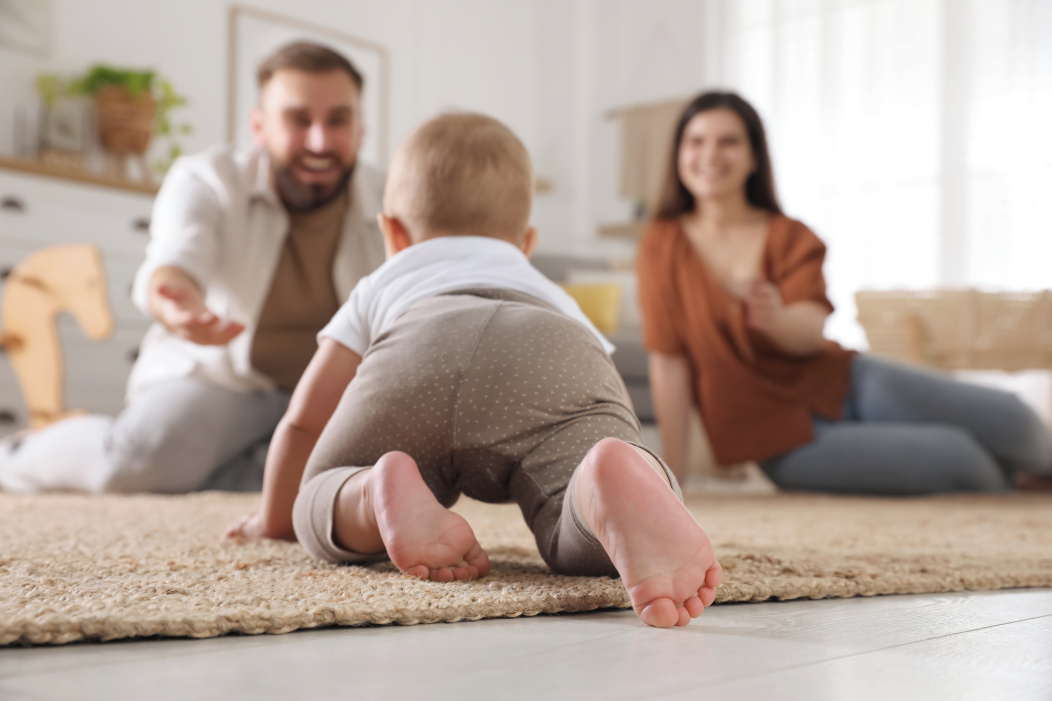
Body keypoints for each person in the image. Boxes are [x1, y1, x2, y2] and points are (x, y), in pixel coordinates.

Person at [224, 112, 722, 628]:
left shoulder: (385, 281)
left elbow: (304, 419)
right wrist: (624, 446)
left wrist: (276, 519)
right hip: (551, 349)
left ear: (392, 232)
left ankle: (373, 492)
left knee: (322, 494)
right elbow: (601, 383)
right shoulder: (551, 294)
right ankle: (601, 484)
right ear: (525, 243)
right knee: (584, 532)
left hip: (419, 352)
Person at [0, 42, 386, 493]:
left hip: (337, 395)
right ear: (259, 127)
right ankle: (19, 454)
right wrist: (178, 302)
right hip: (220, 378)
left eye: (337, 120)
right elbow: (174, 261)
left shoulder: (393, 197)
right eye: (298, 120)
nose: (319, 141)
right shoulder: (206, 178)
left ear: (360, 129)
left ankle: (228, 475)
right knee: (137, 467)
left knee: (383, 474)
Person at [637, 90, 1052, 495]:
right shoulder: (661, 244)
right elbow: (669, 363)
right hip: (777, 440)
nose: (710, 155)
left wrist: (775, 319)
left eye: (728, 141)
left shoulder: (791, 236)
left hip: (847, 381)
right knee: (962, 460)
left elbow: (808, 331)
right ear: (679, 154)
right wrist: (673, 479)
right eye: (696, 141)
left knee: (1017, 422)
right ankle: (1018, 485)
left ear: (753, 157)